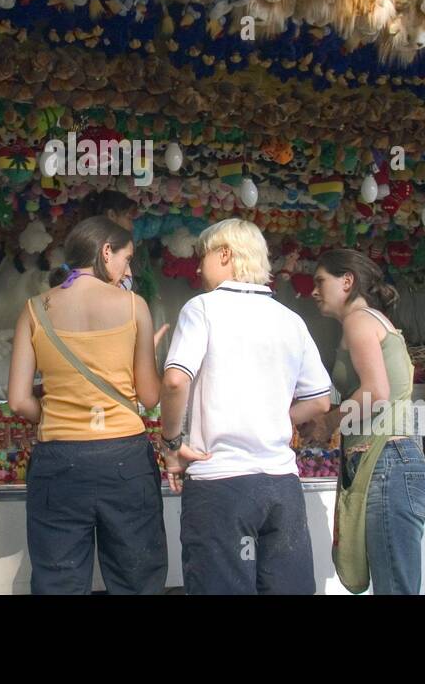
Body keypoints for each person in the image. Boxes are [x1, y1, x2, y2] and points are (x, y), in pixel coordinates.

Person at [160, 218, 332, 595]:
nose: (198, 266)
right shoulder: (291, 320)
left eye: (202, 256)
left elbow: (175, 380)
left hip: (219, 483)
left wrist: (171, 444)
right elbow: (320, 399)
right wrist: (277, 418)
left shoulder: (202, 308)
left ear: (225, 255)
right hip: (281, 486)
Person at [8, 216, 166, 595]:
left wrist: (52, 414)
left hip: (58, 462)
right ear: (105, 252)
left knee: (58, 582)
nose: (127, 270)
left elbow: (17, 400)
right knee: (136, 580)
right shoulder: (134, 306)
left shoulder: (35, 309)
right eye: (126, 259)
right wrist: (148, 354)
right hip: (124, 459)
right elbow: (149, 396)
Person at [309, 249, 425, 595]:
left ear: (347, 281)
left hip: (388, 464)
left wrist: (330, 422)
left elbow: (376, 392)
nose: (314, 291)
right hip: (390, 463)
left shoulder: (359, 320)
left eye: (321, 281)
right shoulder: (369, 320)